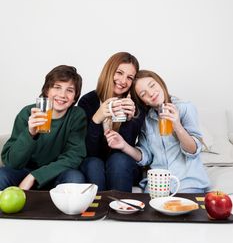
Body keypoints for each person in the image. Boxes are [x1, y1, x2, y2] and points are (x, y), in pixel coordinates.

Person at [106, 69, 210, 193]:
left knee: (180, 209)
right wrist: (124, 146)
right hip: (157, 184)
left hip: (187, 183)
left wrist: (177, 125)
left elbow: (193, 150)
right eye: (143, 94)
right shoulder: (146, 119)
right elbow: (146, 156)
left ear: (160, 83)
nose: (151, 93)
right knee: (146, 211)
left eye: (152, 85)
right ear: (143, 101)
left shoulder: (184, 108)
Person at [0, 65, 87, 190]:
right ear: (47, 90)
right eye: (57, 87)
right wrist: (29, 133)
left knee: (75, 178)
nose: (62, 95)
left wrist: (34, 176)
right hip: (23, 171)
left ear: (75, 97)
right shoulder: (27, 113)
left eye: (70, 90)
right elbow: (12, 162)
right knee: (2, 175)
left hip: (56, 172)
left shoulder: (76, 116)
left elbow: (73, 156)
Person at [78, 52, 145, 192]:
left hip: (124, 165)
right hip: (94, 162)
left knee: (118, 160)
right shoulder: (88, 101)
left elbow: (125, 150)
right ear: (109, 71)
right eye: (119, 73)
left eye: (129, 77)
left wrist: (128, 120)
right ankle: (99, 210)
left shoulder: (136, 105)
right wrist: (97, 119)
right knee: (94, 163)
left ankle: (121, 211)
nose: (123, 81)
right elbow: (90, 151)